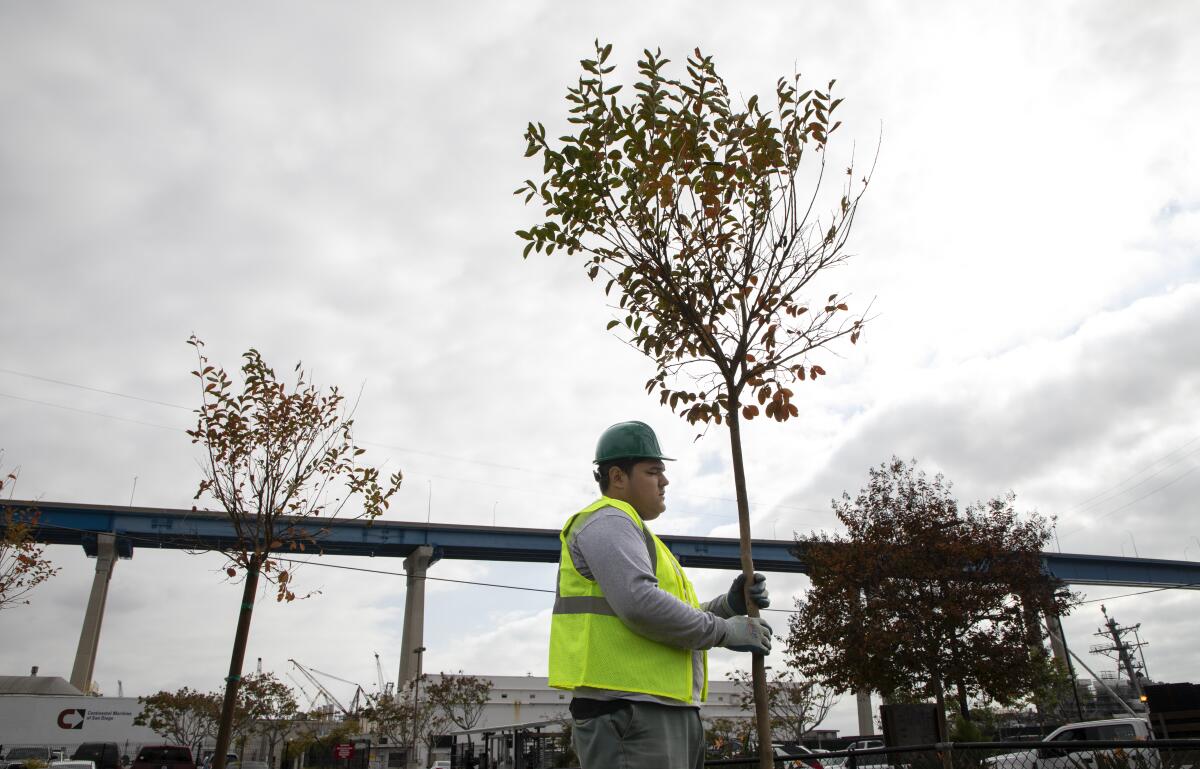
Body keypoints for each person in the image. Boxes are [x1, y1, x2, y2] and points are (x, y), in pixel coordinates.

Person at [548, 420, 773, 769]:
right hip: (630, 713)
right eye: (654, 472)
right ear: (618, 477)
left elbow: (672, 613)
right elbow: (641, 605)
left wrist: (726, 607)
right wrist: (726, 631)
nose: (664, 481)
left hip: (659, 708)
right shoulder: (607, 521)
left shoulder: (639, 534)